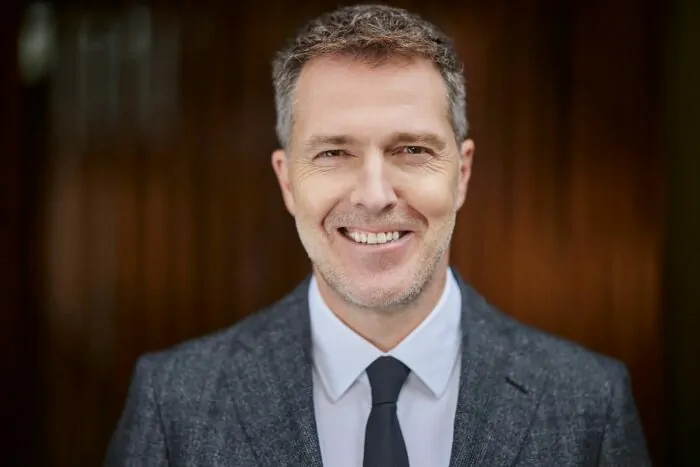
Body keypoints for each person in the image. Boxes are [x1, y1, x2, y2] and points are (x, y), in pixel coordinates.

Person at [105, 4, 651, 466]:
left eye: (411, 149)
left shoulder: (589, 402)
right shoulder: (174, 401)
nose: (373, 195)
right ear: (287, 181)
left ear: (462, 174)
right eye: (333, 152)